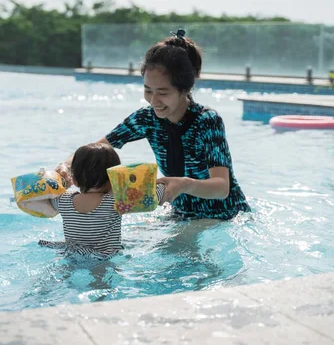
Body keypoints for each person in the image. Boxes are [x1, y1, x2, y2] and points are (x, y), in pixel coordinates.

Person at [56, 29, 250, 221]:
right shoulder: (147, 119)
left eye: (163, 93)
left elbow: (221, 187)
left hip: (225, 217)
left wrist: (183, 184)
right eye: (148, 90)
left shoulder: (206, 121)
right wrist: (66, 166)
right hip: (181, 215)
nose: (154, 100)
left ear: (185, 89)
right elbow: (97, 148)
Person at [39, 142, 165, 258]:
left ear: (75, 181)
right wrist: (161, 185)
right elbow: (151, 197)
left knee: (67, 276)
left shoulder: (63, 201)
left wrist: (63, 184)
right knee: (100, 281)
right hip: (103, 257)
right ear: (114, 179)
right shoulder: (116, 202)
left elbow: (43, 197)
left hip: (72, 253)